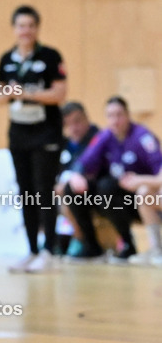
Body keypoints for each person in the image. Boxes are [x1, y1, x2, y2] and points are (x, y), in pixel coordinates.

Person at [0, 5, 67, 273]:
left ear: (37, 28)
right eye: (21, 25)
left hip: (46, 132)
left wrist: (26, 92)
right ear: (14, 29)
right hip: (19, 134)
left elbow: (59, 94)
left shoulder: (50, 56)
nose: (25, 30)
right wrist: (10, 92)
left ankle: (50, 251)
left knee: (44, 190)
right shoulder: (6, 59)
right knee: (25, 192)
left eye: (30, 25)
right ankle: (31, 250)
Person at [64, 96, 162, 261]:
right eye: (110, 116)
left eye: (119, 115)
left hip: (146, 195)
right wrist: (76, 174)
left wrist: (140, 181)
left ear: (128, 115)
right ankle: (93, 246)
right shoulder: (106, 136)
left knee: (136, 191)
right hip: (119, 199)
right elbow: (84, 161)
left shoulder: (143, 137)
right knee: (77, 188)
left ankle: (148, 248)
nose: (115, 120)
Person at [53, 101, 100, 257]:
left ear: (87, 117)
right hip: (69, 190)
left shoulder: (97, 138)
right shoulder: (66, 145)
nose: (74, 128)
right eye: (69, 124)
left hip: (95, 190)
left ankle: (82, 241)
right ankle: (52, 241)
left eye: (77, 121)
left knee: (68, 193)